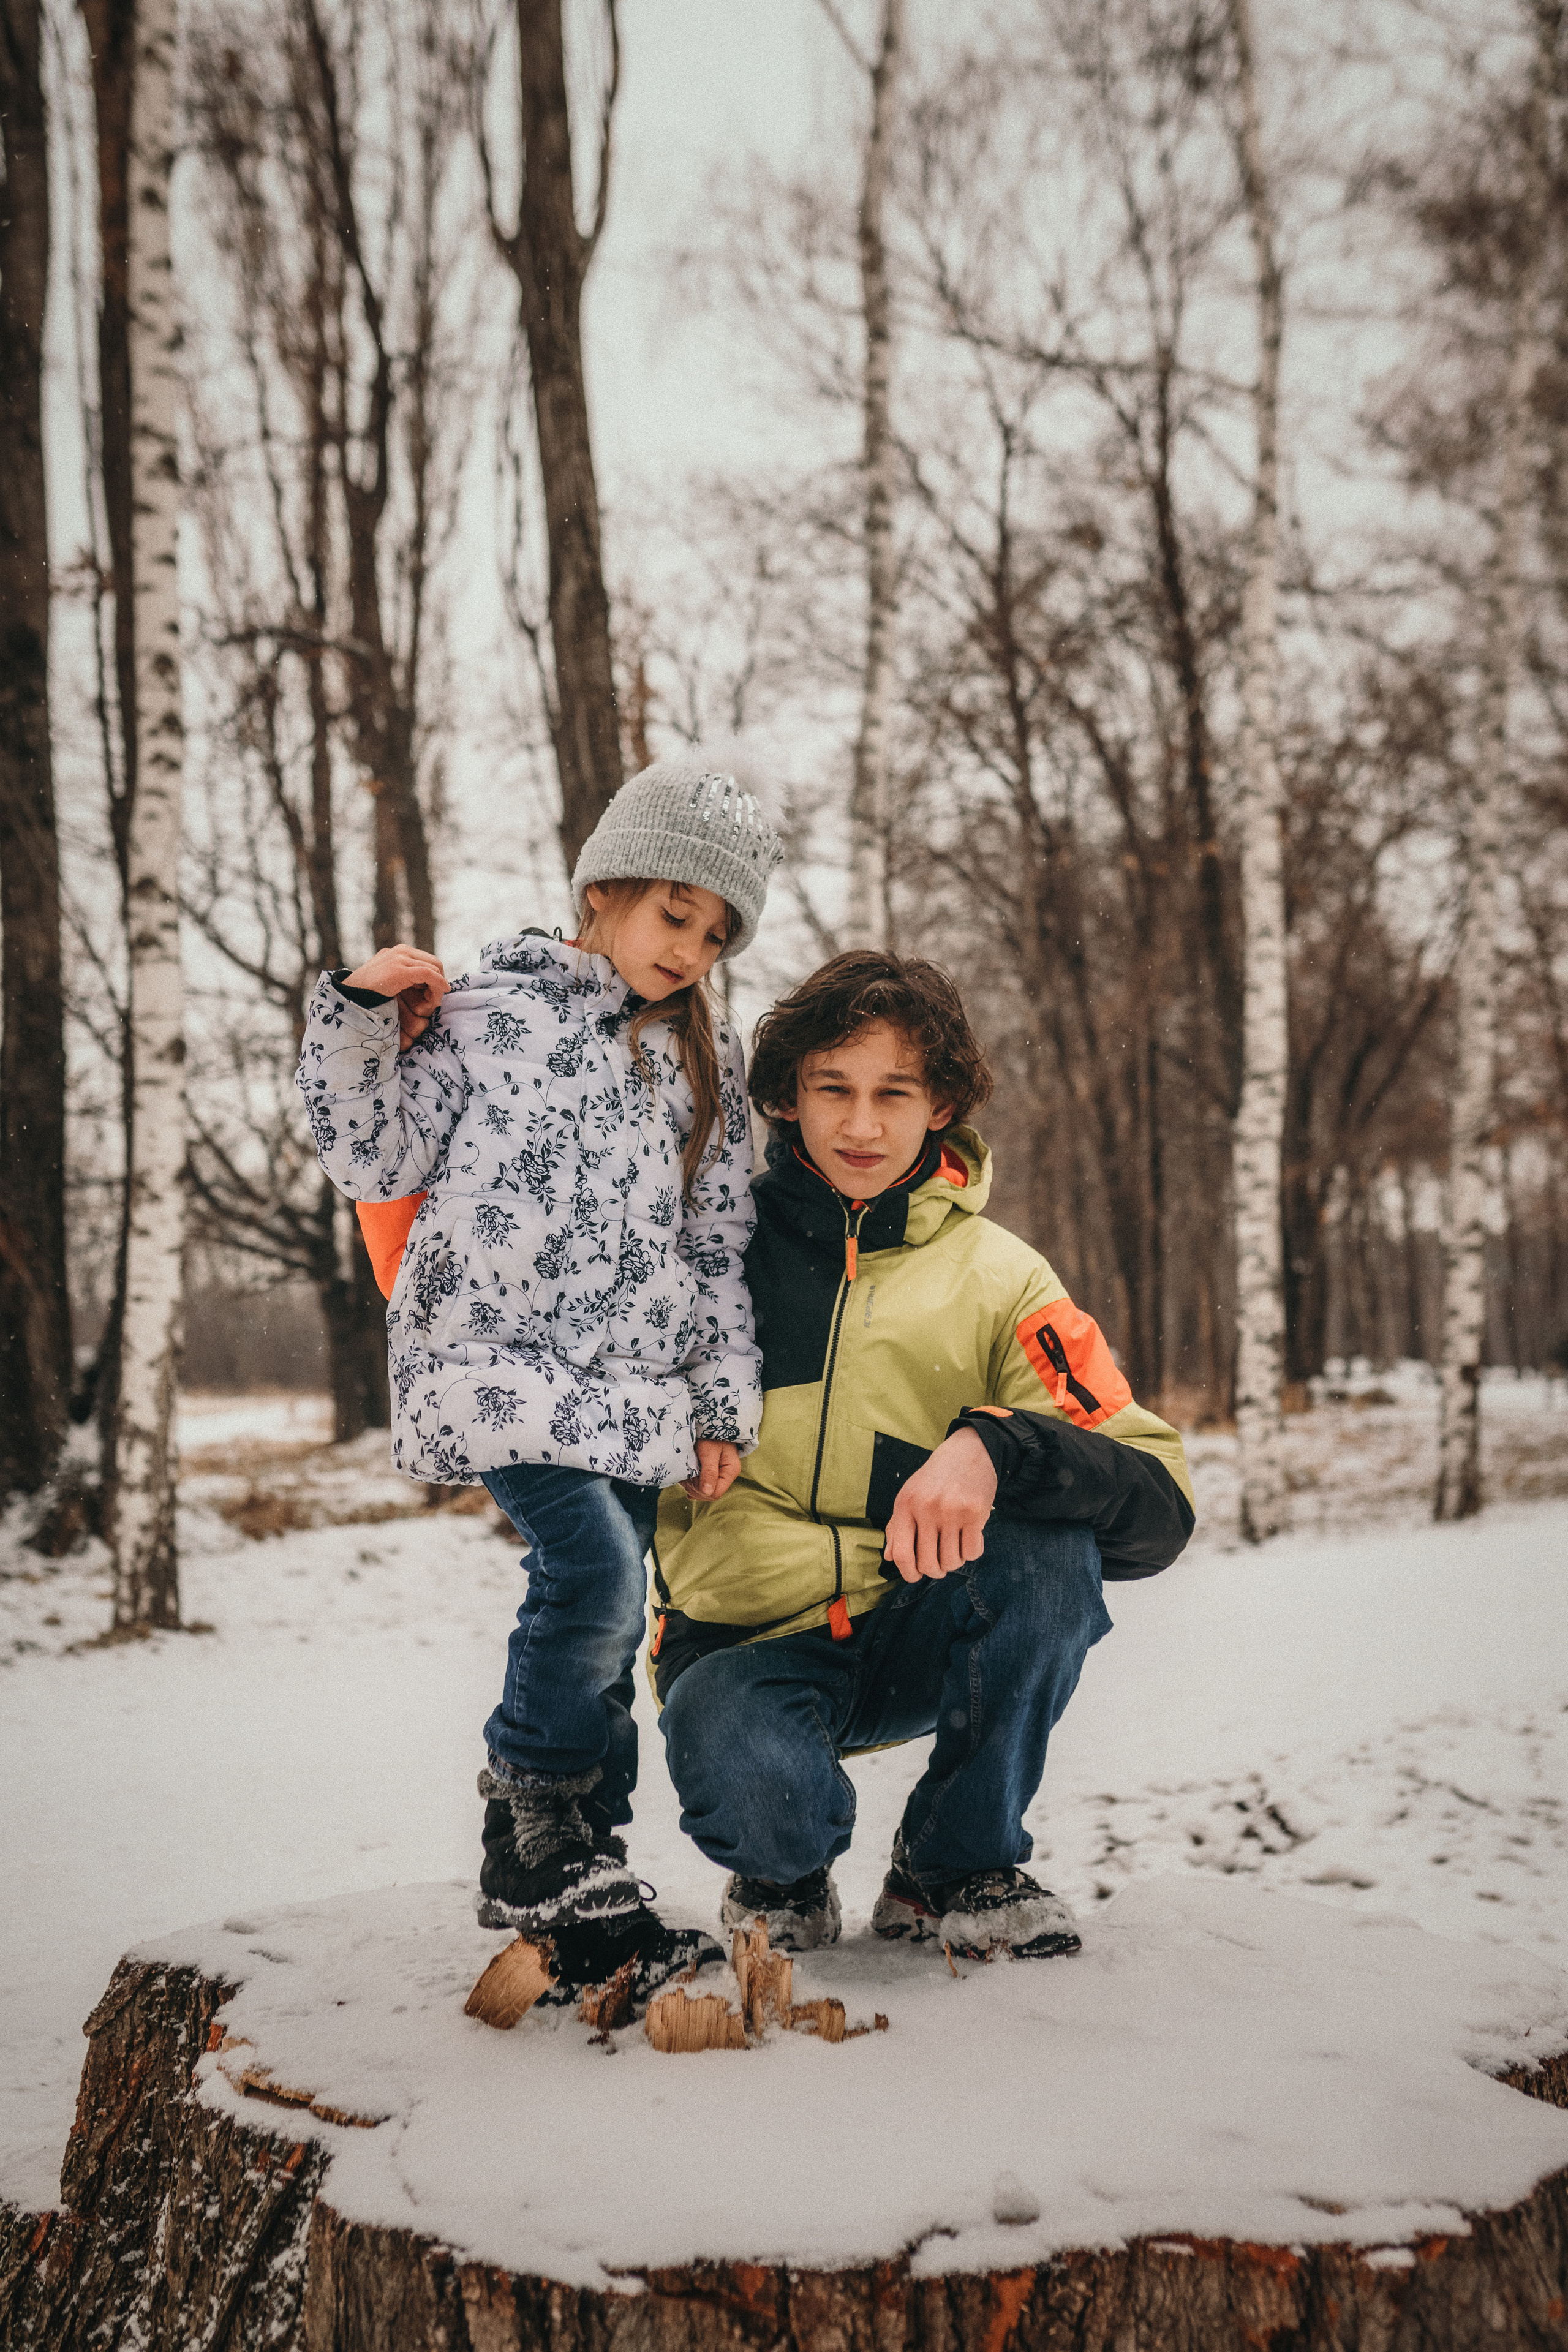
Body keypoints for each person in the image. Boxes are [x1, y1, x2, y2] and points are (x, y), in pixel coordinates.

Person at [295, 761, 782, 1992]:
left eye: (716, 932)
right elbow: (373, 1148)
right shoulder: (489, 1008)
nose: (689, 948)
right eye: (674, 912)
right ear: (605, 886)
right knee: (594, 1574)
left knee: (608, 1628)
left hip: (631, 1391)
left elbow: (718, 1250)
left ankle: (578, 1870)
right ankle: (533, 1825)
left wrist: (720, 1399)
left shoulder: (700, 1065)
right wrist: (356, 1017)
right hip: (493, 1364)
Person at [650, 951, 1194, 1959]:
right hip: (743, 1641)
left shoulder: (1002, 1278)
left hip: (920, 1617)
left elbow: (1158, 1502)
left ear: (941, 1102)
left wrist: (995, 1445)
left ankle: (953, 1868)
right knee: (758, 1792)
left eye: (893, 1093)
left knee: (1049, 1556)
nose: (862, 1127)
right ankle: (784, 1870)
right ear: (786, 1097)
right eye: (833, 1090)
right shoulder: (714, 1251)